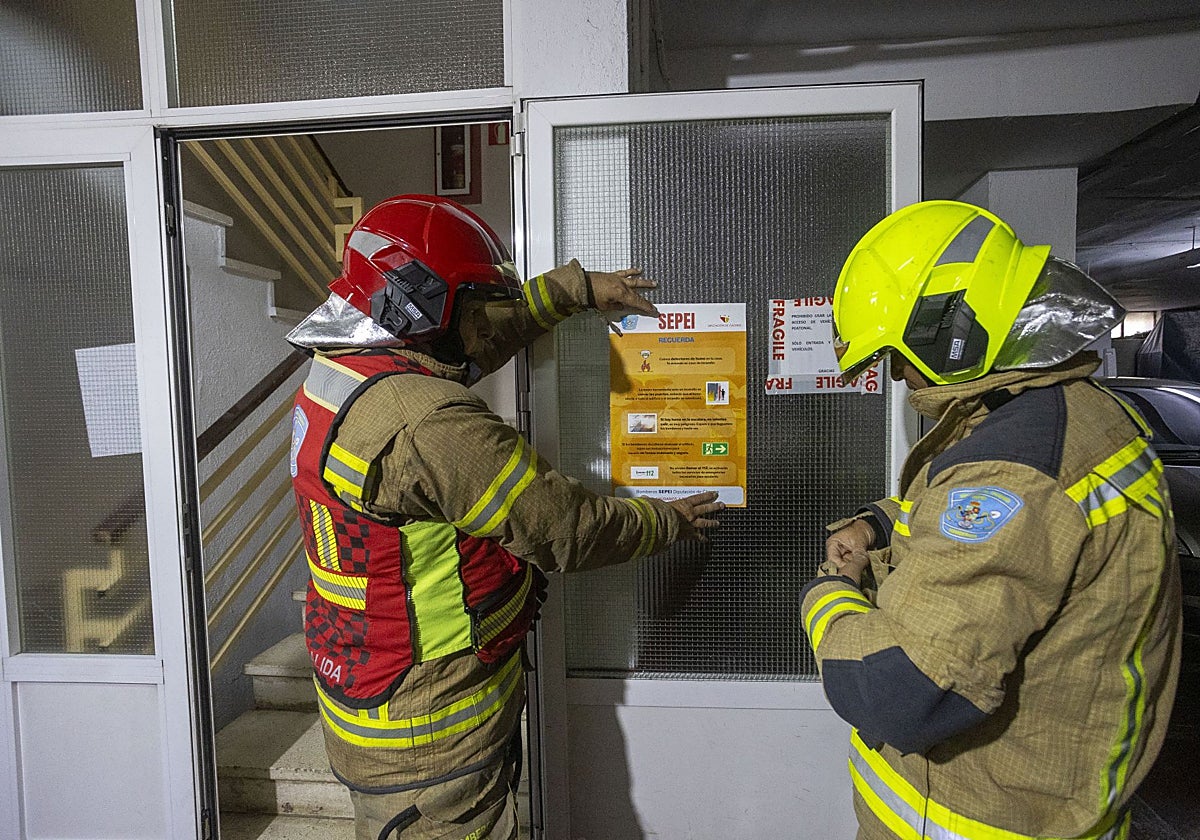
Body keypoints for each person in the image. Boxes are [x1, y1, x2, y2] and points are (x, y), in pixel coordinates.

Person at [285, 194, 723, 840]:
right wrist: (668, 522)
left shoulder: (344, 374)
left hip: (373, 709)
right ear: (422, 309)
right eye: (475, 307)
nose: (488, 326)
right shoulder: (431, 426)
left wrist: (573, 291)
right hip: (435, 747)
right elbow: (565, 529)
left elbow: (466, 345)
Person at [802, 200, 1181, 840]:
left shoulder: (1019, 466)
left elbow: (897, 690)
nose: (897, 375)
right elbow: (962, 524)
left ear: (946, 332)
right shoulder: (1048, 419)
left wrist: (826, 598)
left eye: (895, 353)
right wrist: (876, 525)